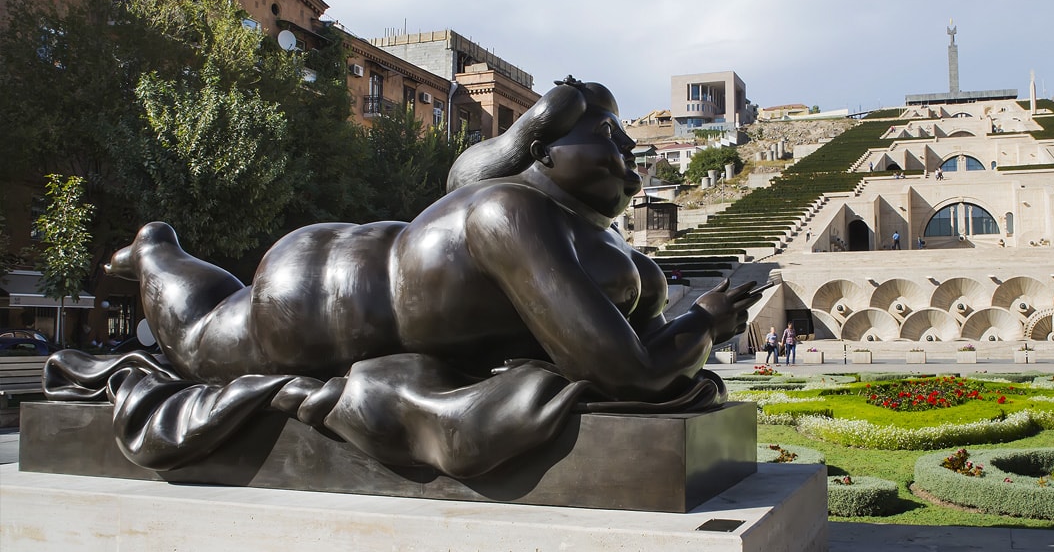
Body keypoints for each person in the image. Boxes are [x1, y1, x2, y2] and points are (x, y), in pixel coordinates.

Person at [54, 78, 762, 478]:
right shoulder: (511, 212)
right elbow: (625, 371)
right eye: (608, 132)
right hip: (308, 304)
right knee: (200, 336)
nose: (629, 148)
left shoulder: (553, 219)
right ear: (545, 152)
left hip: (342, 270)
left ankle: (158, 250)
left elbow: (463, 175)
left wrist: (671, 305)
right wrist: (707, 321)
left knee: (211, 319)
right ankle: (154, 249)